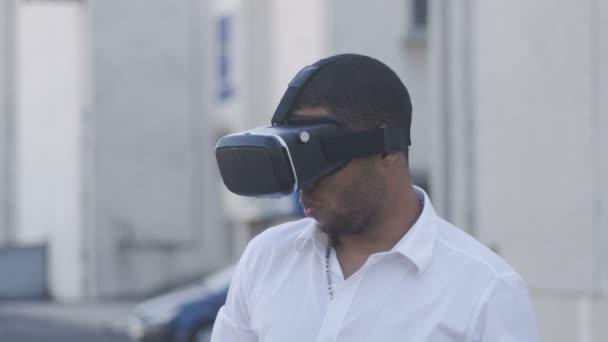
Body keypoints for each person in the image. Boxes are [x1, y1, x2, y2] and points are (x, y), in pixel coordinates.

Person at [211, 54, 540, 342]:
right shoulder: (266, 258)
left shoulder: (485, 290)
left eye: (318, 162)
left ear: (387, 149)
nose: (305, 184)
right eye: (297, 165)